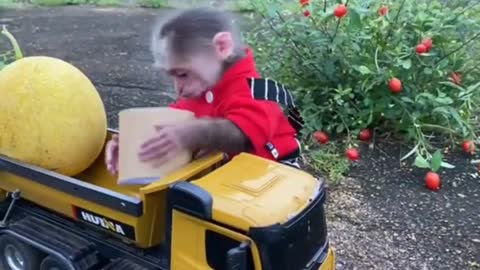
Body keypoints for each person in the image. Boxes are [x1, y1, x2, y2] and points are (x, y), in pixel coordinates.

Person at [105, 7, 304, 175]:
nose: (179, 89)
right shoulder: (202, 85)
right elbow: (172, 122)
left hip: (273, 175)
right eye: (173, 76)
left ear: (221, 46)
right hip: (230, 178)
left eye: (183, 74)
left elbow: (243, 134)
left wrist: (193, 133)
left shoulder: (254, 89)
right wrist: (131, 141)